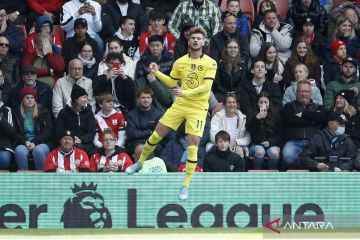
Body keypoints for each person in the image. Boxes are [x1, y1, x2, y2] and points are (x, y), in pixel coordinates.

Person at [125, 26, 217, 201]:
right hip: (180, 105)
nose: (196, 40)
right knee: (156, 135)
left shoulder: (210, 63)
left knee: (192, 147)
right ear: (188, 41)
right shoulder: (180, 61)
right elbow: (171, 81)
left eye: (199, 38)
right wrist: (156, 72)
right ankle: (140, 163)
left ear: (203, 42)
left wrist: (184, 93)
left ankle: (186, 185)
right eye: (193, 38)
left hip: (197, 108)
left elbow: (206, 87)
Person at [282, 80, 327, 170]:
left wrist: (303, 114)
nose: (303, 94)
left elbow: (322, 118)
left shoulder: (318, 107)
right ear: (296, 92)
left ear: (311, 93)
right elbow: (291, 120)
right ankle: (299, 176)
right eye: (301, 91)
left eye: (306, 91)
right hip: (294, 141)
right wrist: (313, 119)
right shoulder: (289, 106)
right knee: (288, 159)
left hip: (314, 141)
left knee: (323, 159)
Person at [13, 87, 53, 170]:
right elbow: (14, 132)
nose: (30, 100)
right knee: (19, 151)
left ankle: (41, 178)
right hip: (24, 143)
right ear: (22, 99)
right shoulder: (16, 114)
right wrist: (25, 141)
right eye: (27, 98)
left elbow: (47, 131)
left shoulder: (43, 112)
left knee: (38, 151)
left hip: (42, 142)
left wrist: (35, 142)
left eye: (32, 97)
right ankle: (23, 178)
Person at [135, 34, 173, 112]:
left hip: (165, 93)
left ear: (162, 47)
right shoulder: (142, 62)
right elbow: (139, 83)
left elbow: (171, 88)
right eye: (152, 46)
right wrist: (147, 74)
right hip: (147, 93)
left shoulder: (170, 61)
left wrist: (156, 77)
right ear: (148, 46)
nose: (155, 48)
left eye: (157, 45)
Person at [55, 84, 96, 156]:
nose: (86, 100)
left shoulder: (89, 112)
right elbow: (59, 131)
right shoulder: (64, 112)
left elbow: (92, 131)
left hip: (84, 143)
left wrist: (81, 139)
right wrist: (71, 139)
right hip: (67, 142)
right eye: (83, 97)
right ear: (76, 99)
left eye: (86, 97)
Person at [207, 92, 250, 159]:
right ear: (224, 105)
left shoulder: (243, 118)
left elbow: (247, 138)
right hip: (220, 144)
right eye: (229, 102)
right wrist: (225, 143)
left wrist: (235, 142)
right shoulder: (217, 117)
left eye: (234, 102)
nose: (232, 104)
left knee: (239, 151)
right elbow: (212, 134)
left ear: (237, 104)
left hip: (236, 145)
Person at [246, 92, 282, 170]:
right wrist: (256, 119)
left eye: (265, 102)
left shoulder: (276, 115)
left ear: (269, 103)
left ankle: (272, 175)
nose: (263, 104)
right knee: (260, 152)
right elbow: (249, 129)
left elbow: (280, 134)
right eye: (261, 102)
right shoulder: (252, 114)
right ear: (257, 103)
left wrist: (270, 142)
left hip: (272, 145)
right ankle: (257, 174)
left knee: (274, 153)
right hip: (256, 144)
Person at [125, 87, 163, 158]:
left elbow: (158, 134)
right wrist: (149, 132)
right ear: (138, 99)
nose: (146, 100)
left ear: (152, 99)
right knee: (141, 149)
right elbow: (131, 134)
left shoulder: (158, 114)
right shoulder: (131, 115)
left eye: (148, 97)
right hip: (136, 143)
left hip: (153, 143)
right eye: (143, 98)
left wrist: (140, 133)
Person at [0, 90, 15, 170]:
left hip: (3, 147)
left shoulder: (7, 110)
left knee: (4, 159)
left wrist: (1, 119)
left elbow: (11, 131)